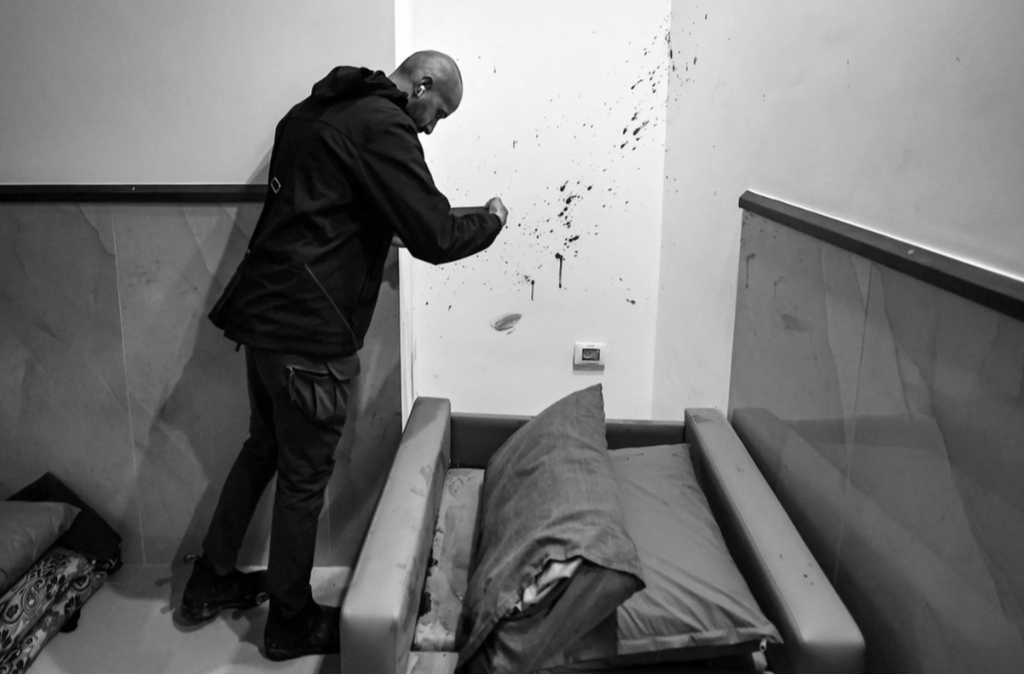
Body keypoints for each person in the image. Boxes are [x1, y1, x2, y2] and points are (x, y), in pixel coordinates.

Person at [179, 50, 507, 661]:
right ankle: (290, 621)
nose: (432, 126)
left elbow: (328, 211)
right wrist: (490, 221)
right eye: (439, 111)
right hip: (310, 337)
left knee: (264, 449)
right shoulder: (385, 126)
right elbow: (435, 236)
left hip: (264, 321)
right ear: (423, 84)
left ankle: (211, 580)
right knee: (304, 480)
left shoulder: (309, 112)